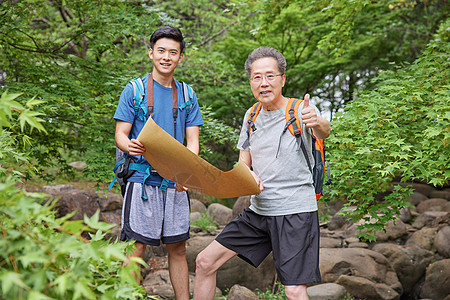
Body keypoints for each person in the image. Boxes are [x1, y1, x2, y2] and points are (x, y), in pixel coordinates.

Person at [193, 47, 330, 300]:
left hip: (295, 212)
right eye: (257, 77)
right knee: (204, 262)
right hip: (259, 211)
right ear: (250, 82)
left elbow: (323, 131)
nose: (263, 83)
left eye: (270, 76)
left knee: (294, 290)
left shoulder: (300, 110)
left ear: (282, 79)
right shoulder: (251, 114)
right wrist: (247, 176)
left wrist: (316, 121)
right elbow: (243, 162)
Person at [114, 26, 203, 299]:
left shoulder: (187, 94)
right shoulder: (135, 90)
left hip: (175, 183)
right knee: (136, 247)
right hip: (142, 180)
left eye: (173, 52)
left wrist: (186, 172)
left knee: (177, 248)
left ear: (181, 58)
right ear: (151, 53)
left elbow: (193, 143)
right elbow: (120, 134)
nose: (166, 57)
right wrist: (128, 145)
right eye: (161, 51)